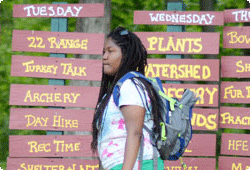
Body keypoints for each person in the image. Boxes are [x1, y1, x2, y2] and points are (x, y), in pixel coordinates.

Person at [91, 26, 164, 170]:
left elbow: (135, 133)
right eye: (104, 52)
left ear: (125, 55)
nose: (104, 56)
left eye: (110, 51)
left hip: (140, 164)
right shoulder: (114, 91)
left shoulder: (131, 86)